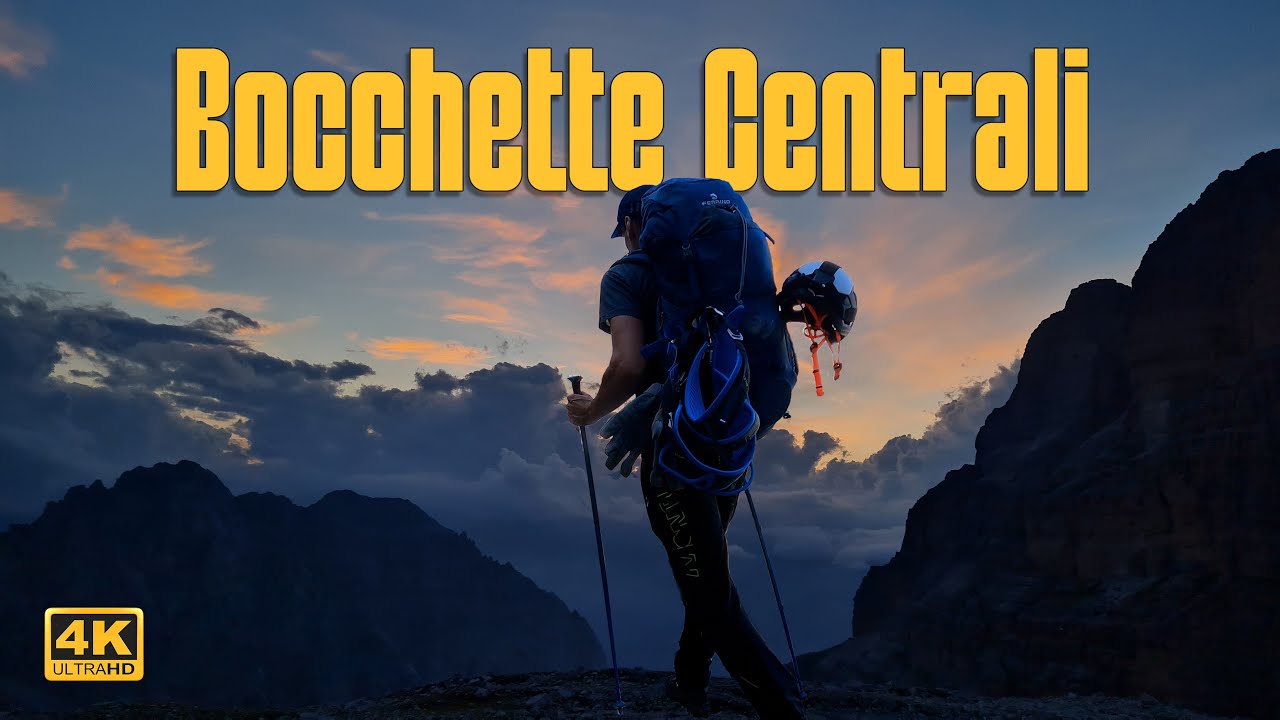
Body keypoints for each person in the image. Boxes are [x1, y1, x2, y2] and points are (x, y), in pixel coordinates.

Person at [565, 185, 807, 720]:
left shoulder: (626, 276)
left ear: (635, 226)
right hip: (727, 438)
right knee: (706, 569)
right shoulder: (724, 280)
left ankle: (784, 707)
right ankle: (688, 681)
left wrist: (592, 409)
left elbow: (628, 366)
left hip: (673, 451)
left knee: (707, 590)